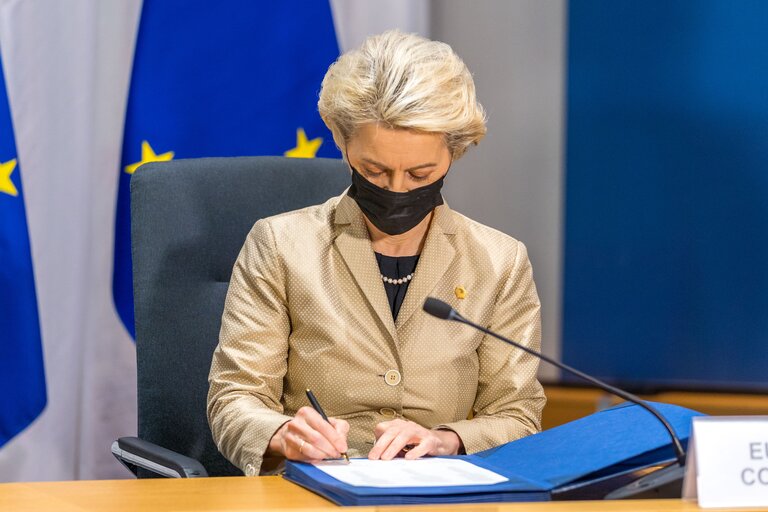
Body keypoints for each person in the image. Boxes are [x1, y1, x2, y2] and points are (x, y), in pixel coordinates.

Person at [207, 30, 546, 476]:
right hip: (312, 494)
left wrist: (447, 440)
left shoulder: (499, 261)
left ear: (454, 152)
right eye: (375, 170)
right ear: (340, 140)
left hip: (447, 498)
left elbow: (518, 414)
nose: (397, 189)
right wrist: (282, 434)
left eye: (421, 172)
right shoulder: (281, 245)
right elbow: (235, 398)